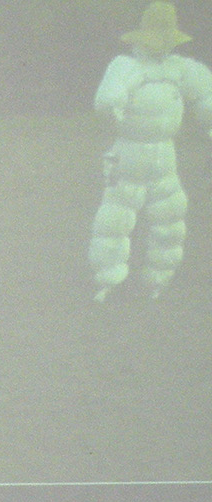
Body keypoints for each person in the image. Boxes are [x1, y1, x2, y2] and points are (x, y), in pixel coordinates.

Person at [87, 3, 212, 300]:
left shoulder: (179, 69)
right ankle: (107, 279)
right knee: (116, 217)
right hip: (129, 153)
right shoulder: (127, 67)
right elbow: (107, 99)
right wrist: (113, 108)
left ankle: (159, 277)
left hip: (164, 155)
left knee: (170, 215)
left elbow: (205, 96)